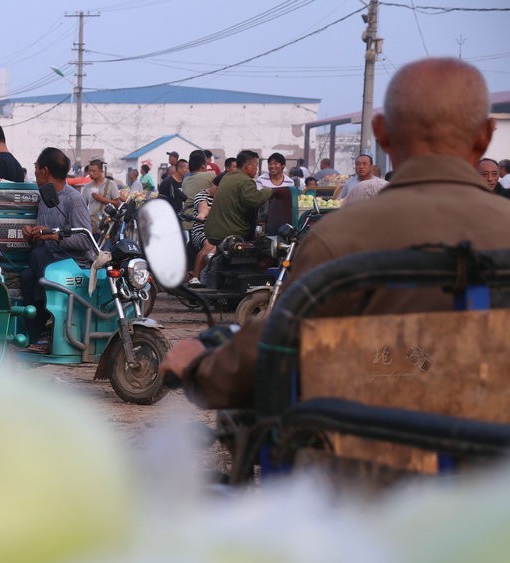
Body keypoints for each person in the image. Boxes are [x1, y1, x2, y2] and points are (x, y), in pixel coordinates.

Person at [161, 57, 510, 410]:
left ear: (382, 131)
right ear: (485, 136)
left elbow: (281, 350)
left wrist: (201, 366)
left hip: (372, 451)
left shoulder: (337, 238)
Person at [20, 147, 96, 351]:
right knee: (27, 276)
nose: (34, 171)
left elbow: (85, 241)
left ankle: (49, 327)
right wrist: (32, 234)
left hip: (73, 264)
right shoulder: (45, 198)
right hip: (48, 261)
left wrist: (54, 235)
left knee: (37, 256)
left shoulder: (73, 199)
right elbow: (42, 238)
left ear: (45, 171)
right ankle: (37, 337)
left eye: (36, 168)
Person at [203, 150, 272, 245]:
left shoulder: (227, 177)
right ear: (248, 165)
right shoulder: (246, 181)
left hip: (213, 232)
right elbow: (254, 201)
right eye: (256, 165)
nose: (256, 169)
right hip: (231, 233)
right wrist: (268, 190)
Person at [187, 172, 224, 285]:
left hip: (220, 230)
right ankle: (195, 277)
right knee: (209, 245)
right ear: (213, 184)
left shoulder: (224, 197)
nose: (218, 191)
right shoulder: (202, 196)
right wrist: (202, 215)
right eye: (217, 187)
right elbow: (203, 208)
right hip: (202, 229)